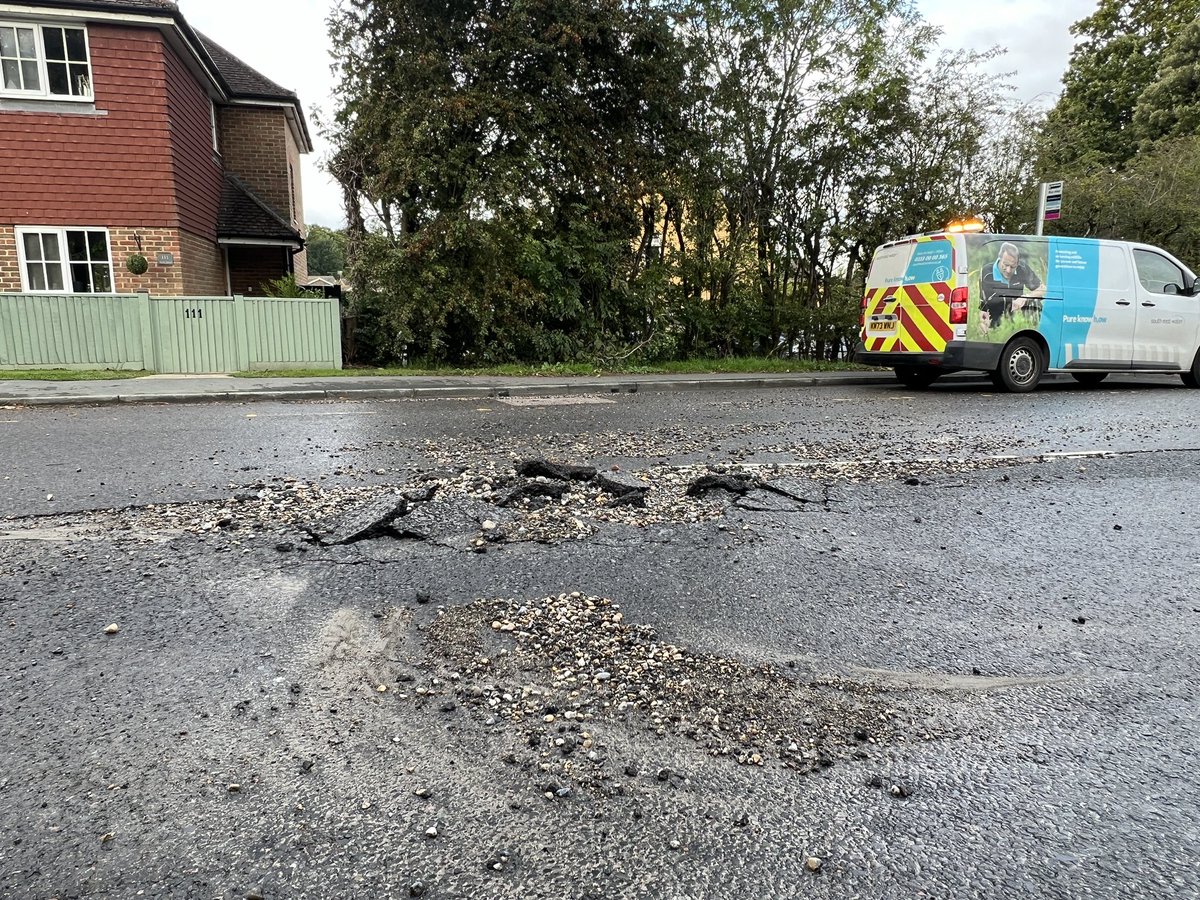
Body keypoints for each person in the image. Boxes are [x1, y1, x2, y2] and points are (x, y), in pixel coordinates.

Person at [980, 242, 1046, 329]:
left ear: (1017, 263)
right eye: (1006, 265)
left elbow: (1042, 289)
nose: (1008, 270)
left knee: (1035, 303)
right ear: (999, 258)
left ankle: (1035, 331)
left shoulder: (1022, 268)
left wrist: (1025, 297)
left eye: (1013, 266)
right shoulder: (987, 272)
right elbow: (983, 302)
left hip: (1018, 314)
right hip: (996, 315)